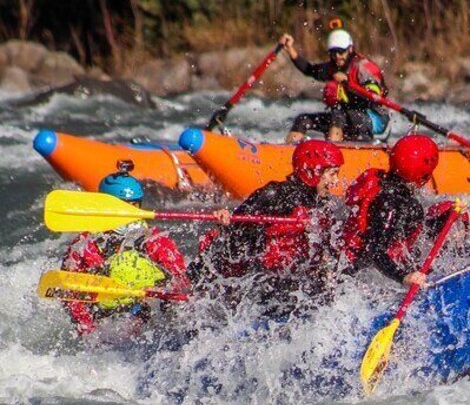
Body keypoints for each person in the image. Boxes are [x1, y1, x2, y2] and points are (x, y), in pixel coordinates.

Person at [191, 140, 344, 318]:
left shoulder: (323, 204)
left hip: (288, 275)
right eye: (332, 174)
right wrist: (224, 222)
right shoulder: (274, 195)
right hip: (256, 276)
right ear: (313, 171)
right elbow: (235, 234)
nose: (336, 181)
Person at [61, 161, 189, 335]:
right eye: (124, 205)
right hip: (103, 319)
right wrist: (88, 329)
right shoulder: (86, 244)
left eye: (134, 205)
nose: (130, 212)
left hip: (147, 316)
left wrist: (159, 291)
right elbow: (70, 292)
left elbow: (181, 278)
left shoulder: (154, 239)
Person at [342, 134, 440, 287]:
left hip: (349, 263)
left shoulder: (382, 183)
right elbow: (376, 252)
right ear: (424, 176)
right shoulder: (392, 203)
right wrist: (404, 277)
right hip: (356, 275)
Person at [280, 26, 389, 143]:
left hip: (375, 119)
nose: (337, 56)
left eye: (341, 51)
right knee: (303, 120)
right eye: (333, 52)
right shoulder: (333, 67)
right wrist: (290, 50)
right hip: (344, 118)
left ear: (350, 49)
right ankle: (288, 155)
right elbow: (310, 70)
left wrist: (347, 83)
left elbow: (371, 98)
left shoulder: (364, 68)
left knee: (338, 114)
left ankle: (332, 154)